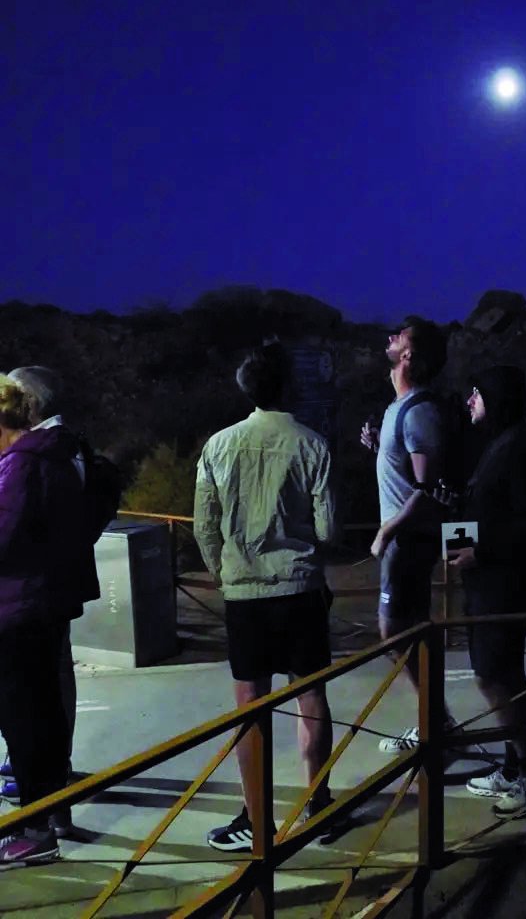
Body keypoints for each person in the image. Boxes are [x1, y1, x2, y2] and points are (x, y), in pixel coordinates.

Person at [194, 344, 339, 852]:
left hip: (245, 594)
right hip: (299, 589)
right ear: (287, 387)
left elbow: (204, 527)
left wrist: (226, 572)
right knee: (312, 696)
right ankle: (318, 805)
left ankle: (256, 819)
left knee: (249, 704)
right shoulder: (313, 445)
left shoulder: (218, 446)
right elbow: (328, 527)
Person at [395, 367, 526, 819]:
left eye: (477, 393)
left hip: (505, 584)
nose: (470, 402)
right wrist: (455, 507)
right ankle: (514, 764)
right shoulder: (501, 443)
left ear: (497, 397)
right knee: (502, 673)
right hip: (490, 581)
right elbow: (494, 508)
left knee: (493, 675)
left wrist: (480, 552)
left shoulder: (522, 447)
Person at [0, 366, 101, 834]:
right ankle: (49, 805)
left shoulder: (29, 459)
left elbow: (8, 532)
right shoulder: (62, 450)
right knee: (43, 701)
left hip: (28, 601)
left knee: (33, 707)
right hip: (47, 594)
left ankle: (40, 819)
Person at [362, 318, 456, 753]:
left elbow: (426, 486)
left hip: (408, 540)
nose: (390, 336)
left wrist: (388, 530)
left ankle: (435, 721)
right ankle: (436, 720)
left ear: (409, 354)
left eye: (398, 334)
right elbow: (407, 469)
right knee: (408, 629)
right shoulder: (400, 406)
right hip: (404, 538)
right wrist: (379, 445)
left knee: (394, 630)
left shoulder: (419, 410)